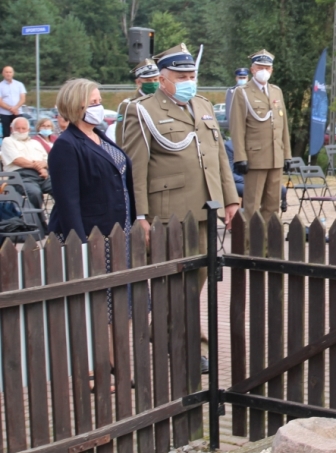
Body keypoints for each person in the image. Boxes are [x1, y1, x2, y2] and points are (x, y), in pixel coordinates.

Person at [121, 43, 240, 374]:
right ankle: (178, 346)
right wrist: (140, 216)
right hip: (169, 211)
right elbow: (136, 168)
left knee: (199, 278)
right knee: (175, 283)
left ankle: (169, 337)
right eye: (182, 76)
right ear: (163, 79)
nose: (189, 81)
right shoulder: (142, 110)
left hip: (206, 208)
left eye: (192, 75)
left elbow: (218, 158)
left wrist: (230, 199)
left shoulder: (201, 105)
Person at [48, 78, 137, 393]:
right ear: (76, 106)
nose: (99, 107)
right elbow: (68, 200)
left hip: (119, 233)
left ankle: (116, 364)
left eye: (99, 101)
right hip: (91, 237)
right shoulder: (66, 145)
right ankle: (94, 369)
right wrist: (80, 246)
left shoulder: (100, 137)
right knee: (96, 305)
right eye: (93, 102)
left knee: (119, 304)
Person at [228, 50, 291, 220]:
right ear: (253, 69)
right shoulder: (243, 92)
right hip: (255, 157)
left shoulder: (276, 91)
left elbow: (282, 126)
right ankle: (250, 244)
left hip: (276, 156)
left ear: (272, 70)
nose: (264, 70)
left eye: (267, 67)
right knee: (252, 206)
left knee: (273, 204)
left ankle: (268, 243)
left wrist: (287, 155)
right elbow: (237, 127)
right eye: (260, 67)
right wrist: (240, 157)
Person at [2, 116, 52, 212]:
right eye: (18, 128)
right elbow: (17, 160)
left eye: (23, 128)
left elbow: (46, 160)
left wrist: (44, 167)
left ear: (28, 129)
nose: (21, 131)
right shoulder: (8, 141)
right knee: (34, 193)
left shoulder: (35, 143)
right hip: (21, 176)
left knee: (62, 190)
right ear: (12, 129)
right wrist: (38, 167)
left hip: (42, 175)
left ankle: (60, 220)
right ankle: (38, 222)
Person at [114, 59, 161, 147]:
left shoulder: (165, 102)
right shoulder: (127, 106)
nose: (153, 83)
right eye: (148, 80)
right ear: (138, 82)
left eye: (156, 79)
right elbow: (120, 134)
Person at [0, 66, 26, 138]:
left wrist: (16, 108)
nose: (8, 74)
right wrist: (11, 109)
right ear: (3, 73)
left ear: (13, 73)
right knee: (7, 134)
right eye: (6, 72)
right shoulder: (0, 86)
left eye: (10, 72)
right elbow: (0, 101)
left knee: (20, 132)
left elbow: (23, 99)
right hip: (5, 114)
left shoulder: (19, 85)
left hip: (18, 112)